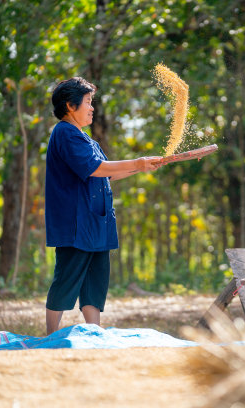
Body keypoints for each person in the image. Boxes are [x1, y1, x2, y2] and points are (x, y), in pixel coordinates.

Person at [45, 77, 163, 335]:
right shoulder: (65, 133)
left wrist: (140, 167)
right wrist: (137, 161)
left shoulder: (86, 139)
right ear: (70, 105)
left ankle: (94, 334)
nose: (92, 108)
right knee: (67, 277)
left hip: (96, 221)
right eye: (87, 102)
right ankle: (50, 335)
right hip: (76, 222)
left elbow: (106, 174)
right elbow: (97, 168)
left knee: (94, 281)